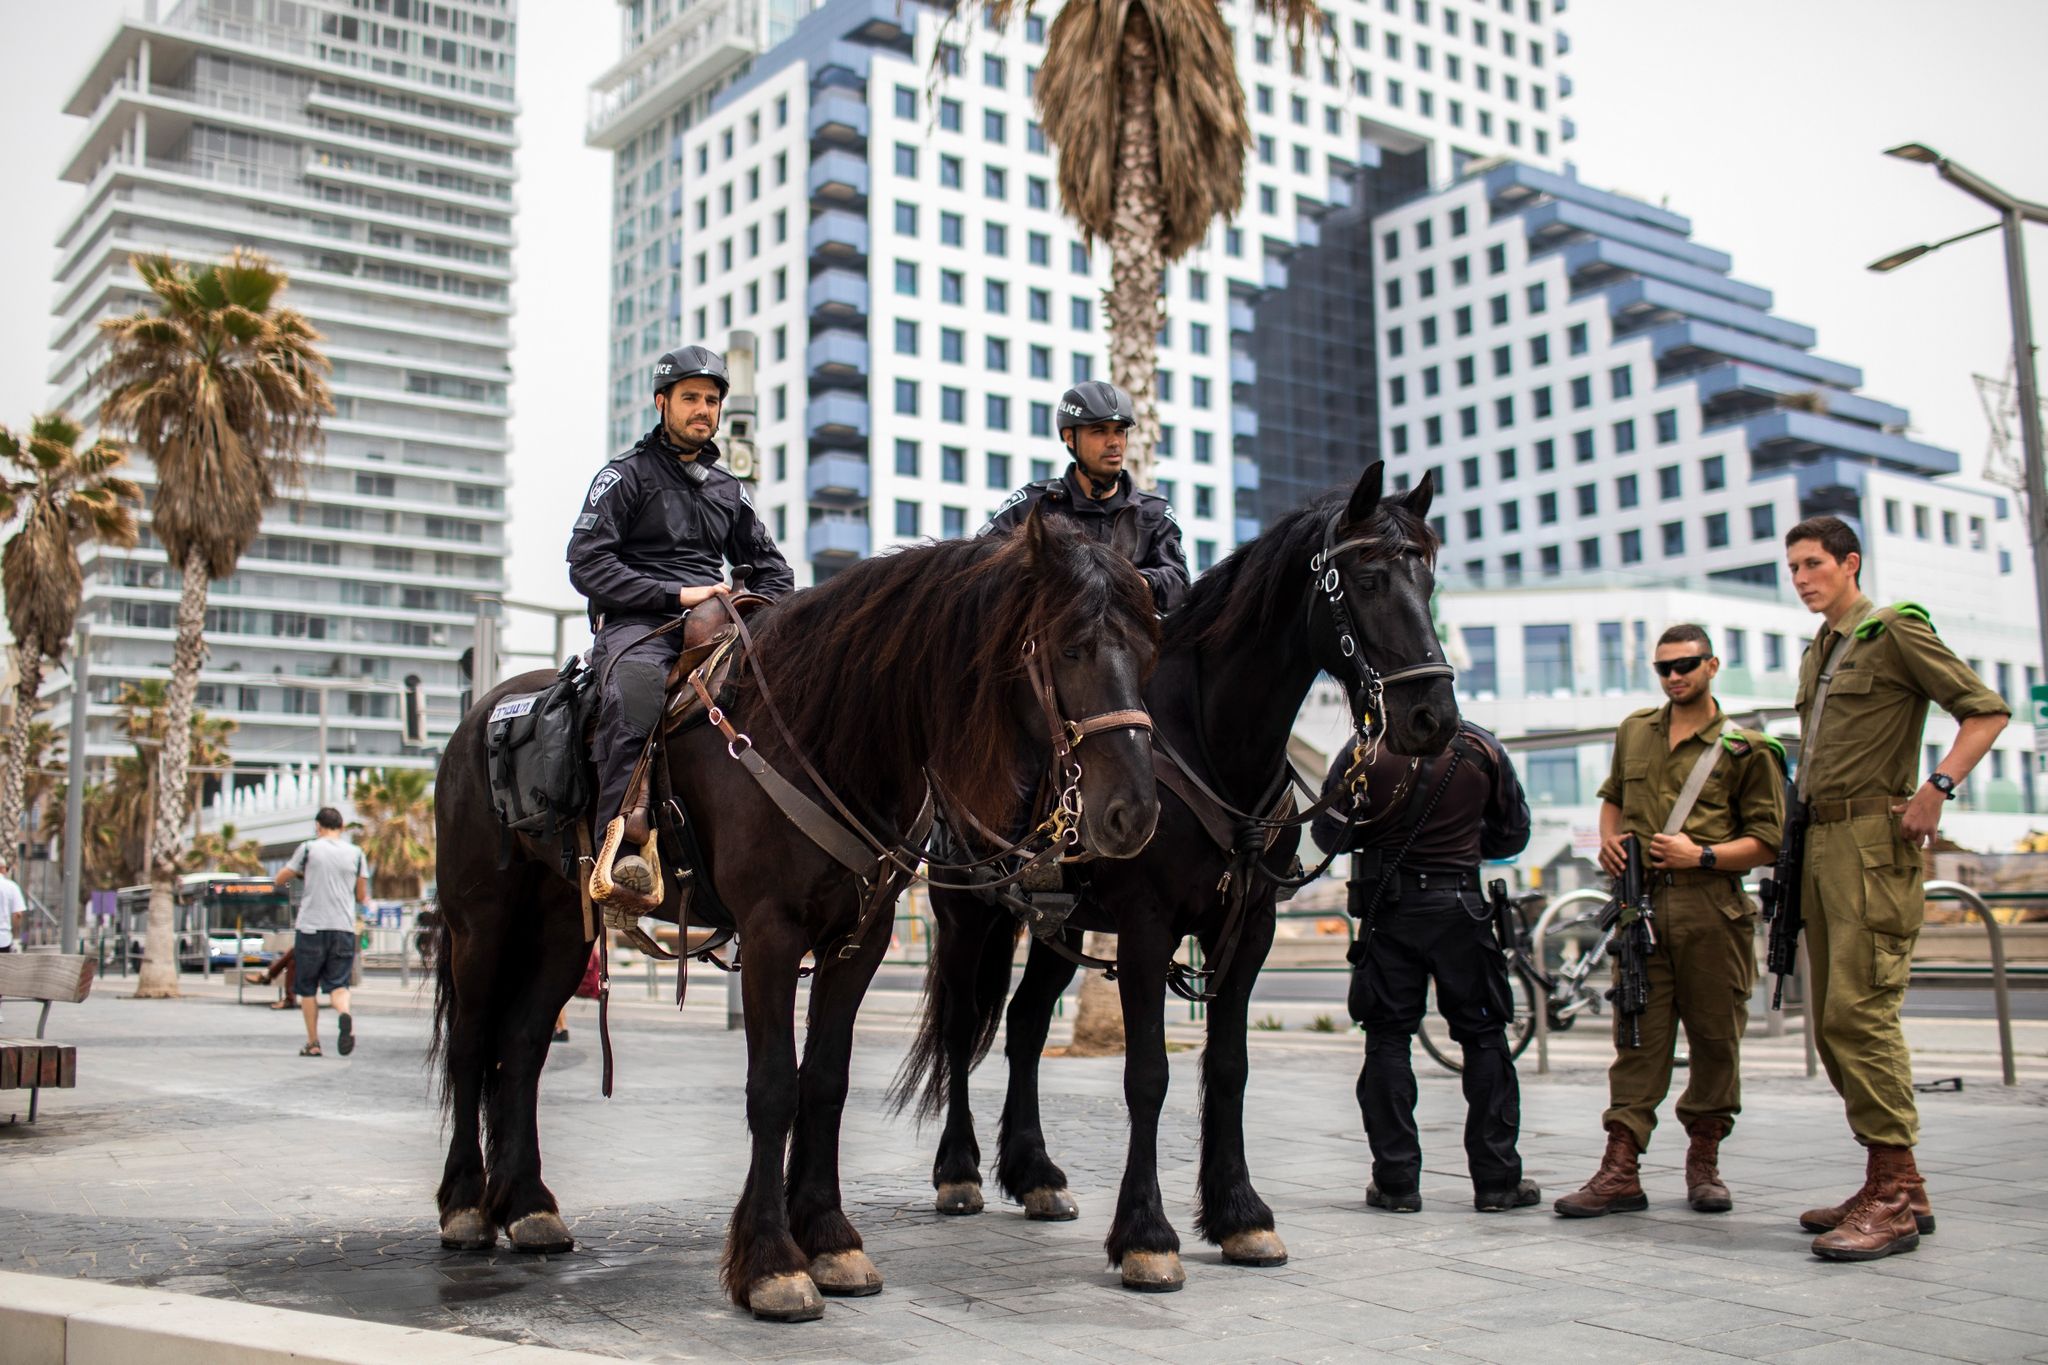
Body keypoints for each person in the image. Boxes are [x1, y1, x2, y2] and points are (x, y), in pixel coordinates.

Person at [1783, 516, 2008, 1261]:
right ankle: (1894, 1180)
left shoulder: (1895, 630)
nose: (1802, 577)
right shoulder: (1825, 646)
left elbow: (1985, 708)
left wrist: (1937, 787)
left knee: (1860, 1012)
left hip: (1873, 844)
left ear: (1850, 562)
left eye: (1814, 563)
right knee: (1828, 1021)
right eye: (1793, 567)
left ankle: (1894, 1200)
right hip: (1818, 843)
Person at [1553, 625, 1785, 1220]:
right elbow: (1611, 797)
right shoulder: (1635, 732)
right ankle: (1620, 1168)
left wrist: (1701, 855)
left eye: (1685, 664)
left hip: (1712, 909)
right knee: (1635, 1037)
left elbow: (1767, 842)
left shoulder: (1746, 749)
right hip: (1641, 909)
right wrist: (1608, 840)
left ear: (1711, 665)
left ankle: (1703, 1161)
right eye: (1664, 668)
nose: (1675, 676)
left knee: (1715, 1041)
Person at [568, 345, 795, 899]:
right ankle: (619, 849)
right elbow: (588, 563)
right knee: (637, 690)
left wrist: (752, 606)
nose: (703, 409)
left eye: (712, 400)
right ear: (660, 402)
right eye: (690, 398)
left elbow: (774, 571)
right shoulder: (622, 476)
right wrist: (676, 595)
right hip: (639, 626)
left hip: (716, 622)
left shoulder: (729, 490)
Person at [1310, 718, 1536, 1213]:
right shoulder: (1481, 747)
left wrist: (1381, 831)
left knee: (1388, 1040)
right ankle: (1498, 1182)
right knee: (1484, 1038)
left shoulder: (1366, 748)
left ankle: (1396, 1184)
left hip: (1389, 913)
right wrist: (1465, 836)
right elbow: (1513, 835)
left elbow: (1329, 833)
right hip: (1462, 909)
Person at [981, 381, 1189, 612]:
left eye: (1119, 431)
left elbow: (1179, 582)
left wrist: (1138, 582)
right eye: (1099, 431)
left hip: (1127, 640)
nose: (1114, 443)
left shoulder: (1154, 513)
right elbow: (980, 565)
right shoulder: (1032, 504)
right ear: (1070, 438)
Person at [274, 807, 369, 1057]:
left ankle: (313, 1042)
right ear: (342, 826)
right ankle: (344, 1014)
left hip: (311, 927)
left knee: (306, 988)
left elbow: (280, 878)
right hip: (343, 928)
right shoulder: (357, 853)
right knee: (339, 985)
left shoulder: (308, 848)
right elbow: (361, 895)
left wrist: (296, 875)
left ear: (318, 826)